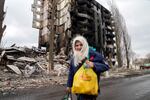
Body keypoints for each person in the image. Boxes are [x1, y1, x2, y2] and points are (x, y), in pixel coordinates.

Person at [66, 35, 109, 100]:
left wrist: (94, 65)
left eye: (81, 45)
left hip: (90, 89)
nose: (79, 47)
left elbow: (106, 66)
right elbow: (71, 73)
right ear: (74, 47)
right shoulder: (74, 58)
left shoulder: (93, 54)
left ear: (85, 45)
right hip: (79, 89)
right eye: (76, 45)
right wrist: (69, 85)